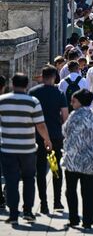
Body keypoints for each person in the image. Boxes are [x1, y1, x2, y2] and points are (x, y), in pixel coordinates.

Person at [0, 73, 53, 223]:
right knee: (29, 179)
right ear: (26, 85)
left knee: (11, 181)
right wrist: (47, 139)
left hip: (8, 148)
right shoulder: (33, 102)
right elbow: (40, 125)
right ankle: (28, 211)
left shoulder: (2, 101)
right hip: (28, 148)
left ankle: (13, 214)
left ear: (12, 83)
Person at [62, 89, 93, 229]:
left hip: (73, 160)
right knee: (90, 193)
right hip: (92, 161)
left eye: (73, 101)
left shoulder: (74, 115)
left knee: (71, 191)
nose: (71, 103)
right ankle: (88, 220)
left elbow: (65, 131)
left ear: (80, 102)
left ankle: (73, 218)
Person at [29, 65, 68, 214]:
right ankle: (57, 201)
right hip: (54, 137)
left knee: (40, 169)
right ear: (54, 77)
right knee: (55, 168)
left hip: (37, 137)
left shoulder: (33, 93)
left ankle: (43, 202)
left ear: (42, 76)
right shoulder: (59, 93)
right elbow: (65, 116)